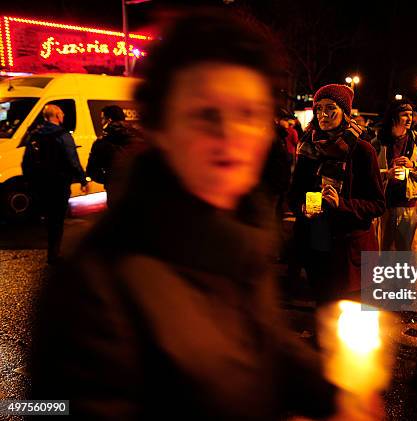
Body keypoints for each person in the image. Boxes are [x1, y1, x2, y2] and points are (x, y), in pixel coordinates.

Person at [31, 9, 340, 420]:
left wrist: (335, 395)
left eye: (249, 113)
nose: (231, 135)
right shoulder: (96, 289)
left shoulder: (238, 238)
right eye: (206, 114)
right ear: (159, 126)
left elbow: (261, 344)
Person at [288, 84, 385, 303]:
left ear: (345, 112)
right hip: (317, 246)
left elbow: (378, 204)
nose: (323, 114)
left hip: (350, 253)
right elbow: (295, 194)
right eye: (318, 108)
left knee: (349, 324)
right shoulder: (307, 147)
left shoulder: (362, 150)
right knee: (324, 314)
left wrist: (341, 204)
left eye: (330, 108)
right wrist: (305, 208)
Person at [20, 104, 88, 263]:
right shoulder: (63, 135)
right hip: (59, 183)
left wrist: (30, 181)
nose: (63, 117)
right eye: (62, 115)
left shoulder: (34, 135)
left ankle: (51, 249)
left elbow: (26, 162)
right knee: (57, 218)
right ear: (57, 116)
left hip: (41, 183)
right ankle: (54, 253)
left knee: (49, 216)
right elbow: (72, 159)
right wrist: (82, 179)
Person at [377, 100, 417, 251]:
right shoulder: (379, 140)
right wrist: (387, 174)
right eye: (404, 115)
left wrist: (412, 166)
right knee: (383, 249)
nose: (409, 119)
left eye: (411, 115)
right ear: (394, 117)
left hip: (407, 203)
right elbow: (369, 171)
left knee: (404, 250)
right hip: (384, 203)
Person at [86, 105, 144, 206]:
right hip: (139, 192)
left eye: (102, 118)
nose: (101, 122)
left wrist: (110, 180)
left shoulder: (101, 143)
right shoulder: (140, 137)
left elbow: (91, 171)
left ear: (109, 120)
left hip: (115, 193)